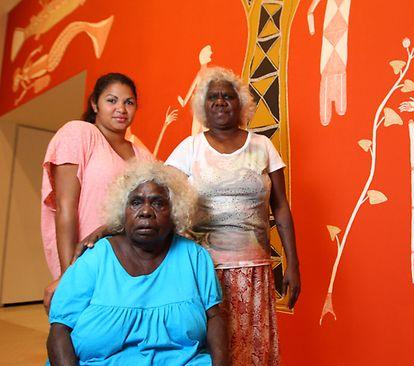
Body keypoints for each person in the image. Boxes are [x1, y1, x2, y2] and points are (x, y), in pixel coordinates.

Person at [165, 66, 300, 365]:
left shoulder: (263, 146)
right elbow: (161, 197)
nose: (220, 101)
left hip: (255, 271)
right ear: (203, 105)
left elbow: (281, 208)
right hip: (205, 271)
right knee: (213, 349)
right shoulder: (189, 149)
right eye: (213, 96)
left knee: (253, 351)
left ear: (241, 103)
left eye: (228, 95)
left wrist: (293, 264)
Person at [46, 161, 227, 365]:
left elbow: (214, 317)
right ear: (123, 211)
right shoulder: (95, 257)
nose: (146, 211)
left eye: (158, 203)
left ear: (175, 211)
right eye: (136, 202)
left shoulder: (195, 257)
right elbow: (60, 329)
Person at [41, 72, 152, 304]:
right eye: (112, 100)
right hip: (87, 261)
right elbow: (65, 207)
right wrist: (68, 274)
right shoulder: (79, 133)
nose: (121, 108)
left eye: (129, 102)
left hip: (132, 265)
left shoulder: (143, 155)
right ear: (95, 104)